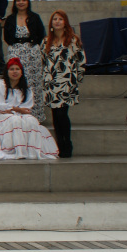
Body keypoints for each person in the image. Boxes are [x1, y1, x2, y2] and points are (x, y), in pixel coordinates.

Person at [0, 58, 59, 160]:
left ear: (21, 72)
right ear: (7, 71)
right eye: (11, 69)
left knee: (32, 120)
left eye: (17, 69)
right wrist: (17, 109)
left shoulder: (26, 88)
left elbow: (27, 107)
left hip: (20, 114)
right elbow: (1, 105)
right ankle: (16, 150)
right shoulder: (1, 84)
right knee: (15, 120)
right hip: (1, 115)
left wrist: (15, 110)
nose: (14, 72)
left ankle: (31, 152)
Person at [43, 10, 85, 158]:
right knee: (55, 115)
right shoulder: (46, 41)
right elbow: (43, 62)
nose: (57, 21)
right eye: (55, 19)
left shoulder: (72, 40)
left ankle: (67, 143)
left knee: (62, 114)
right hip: (52, 83)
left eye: (60, 19)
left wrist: (76, 79)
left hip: (67, 83)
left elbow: (80, 60)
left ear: (65, 22)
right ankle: (60, 144)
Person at [3, 0, 46, 123]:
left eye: (24, 0)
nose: (21, 2)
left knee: (33, 83)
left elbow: (41, 34)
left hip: (32, 52)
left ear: (28, 2)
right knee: (17, 82)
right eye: (18, 0)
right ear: (15, 3)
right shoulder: (10, 18)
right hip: (16, 51)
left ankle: (35, 115)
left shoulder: (35, 17)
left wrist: (32, 47)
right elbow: (6, 37)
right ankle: (17, 112)